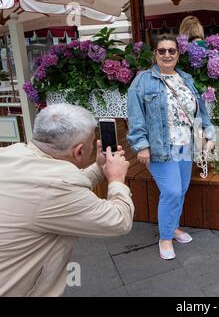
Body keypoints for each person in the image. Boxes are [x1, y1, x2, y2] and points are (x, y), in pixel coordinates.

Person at [0, 104, 134, 296]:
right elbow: (119, 220)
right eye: (91, 141)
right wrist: (116, 179)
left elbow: (54, 190)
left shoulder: (12, 154)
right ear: (79, 151)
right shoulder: (57, 189)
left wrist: (99, 167)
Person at [127, 34, 216, 260]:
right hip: (160, 147)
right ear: (155, 54)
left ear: (178, 54)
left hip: (186, 144)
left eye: (171, 51)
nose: (167, 54)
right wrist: (141, 146)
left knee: (181, 190)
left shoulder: (186, 78)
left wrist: (209, 133)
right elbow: (135, 116)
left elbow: (200, 110)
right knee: (172, 192)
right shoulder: (143, 81)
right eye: (162, 50)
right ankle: (165, 237)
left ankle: (173, 226)